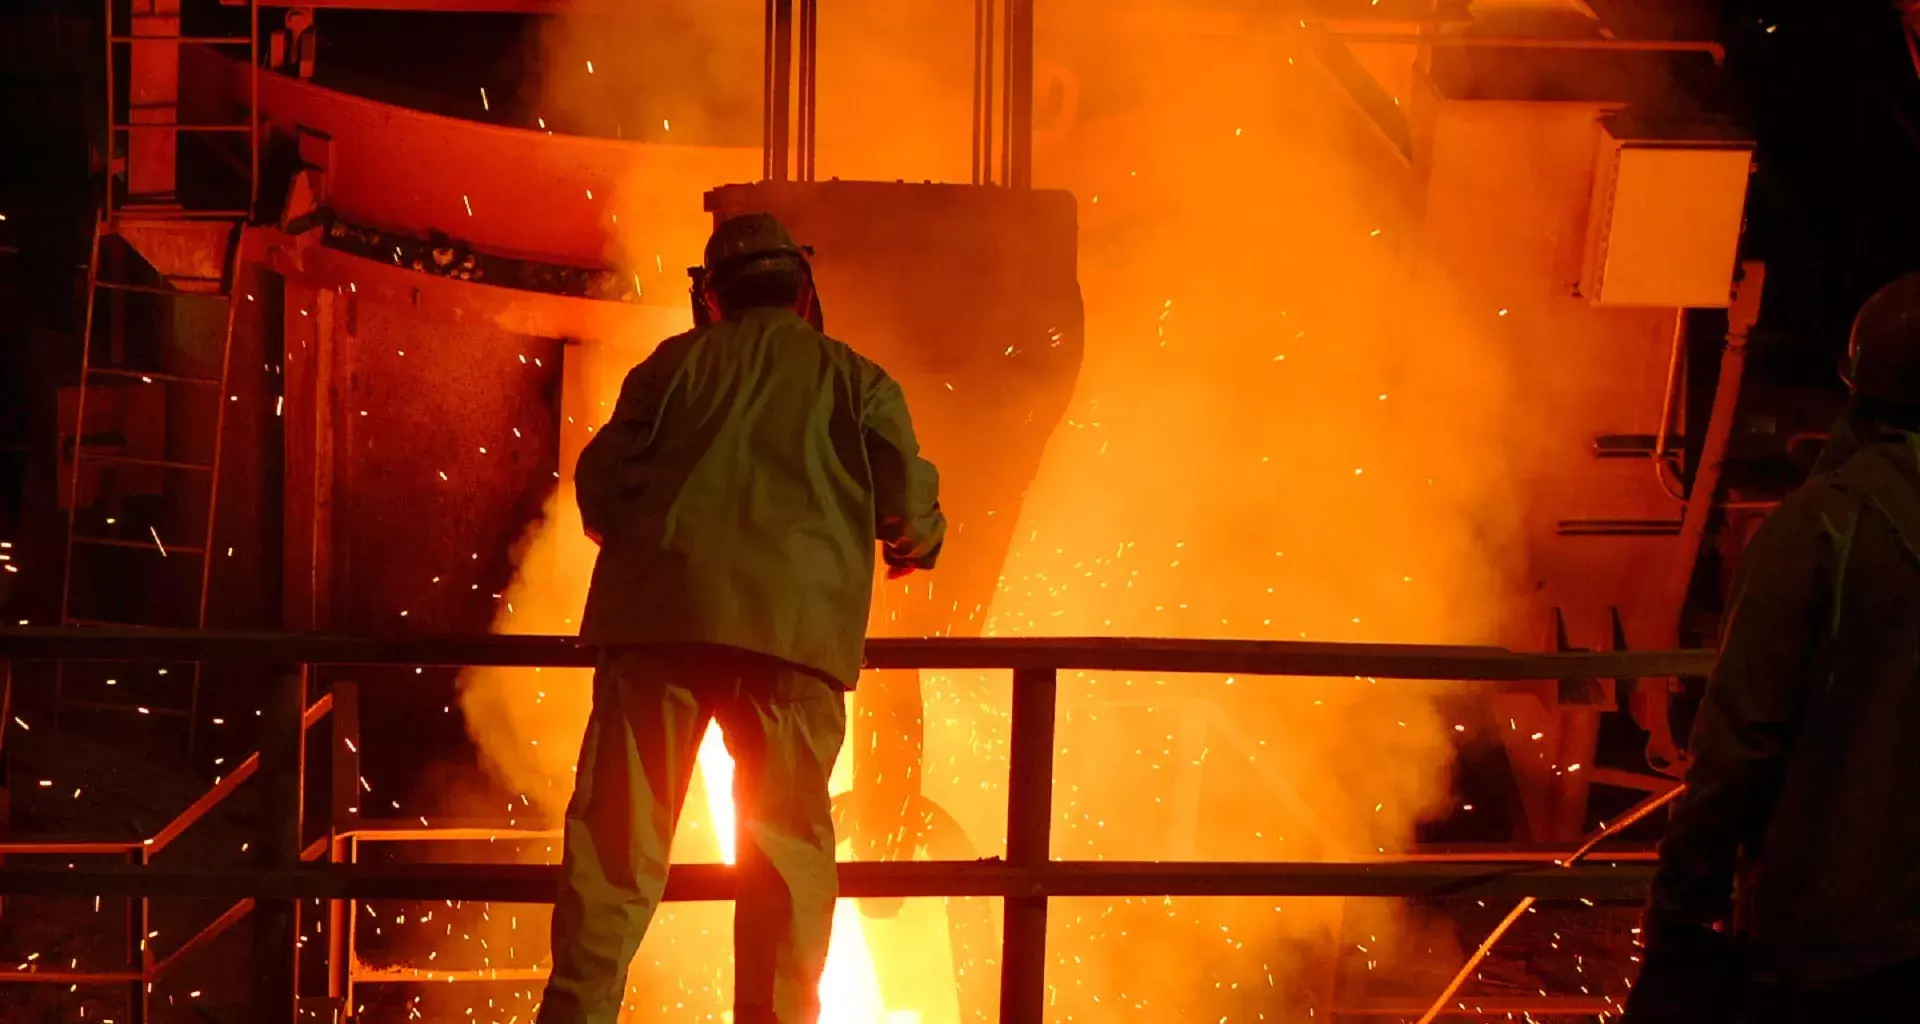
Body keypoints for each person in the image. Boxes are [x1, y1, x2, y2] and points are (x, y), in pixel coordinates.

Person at [537, 212, 946, 1024]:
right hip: (793, 647)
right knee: (786, 864)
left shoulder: (670, 370)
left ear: (711, 297)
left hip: (658, 634)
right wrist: (911, 544)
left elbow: (603, 485)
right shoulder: (857, 380)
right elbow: (911, 508)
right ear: (803, 291)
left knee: (615, 855)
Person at [1627, 271, 1920, 1023]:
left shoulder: (1823, 528)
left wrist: (1681, 919)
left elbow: (1741, 747)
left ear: (1860, 385)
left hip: (1839, 946)